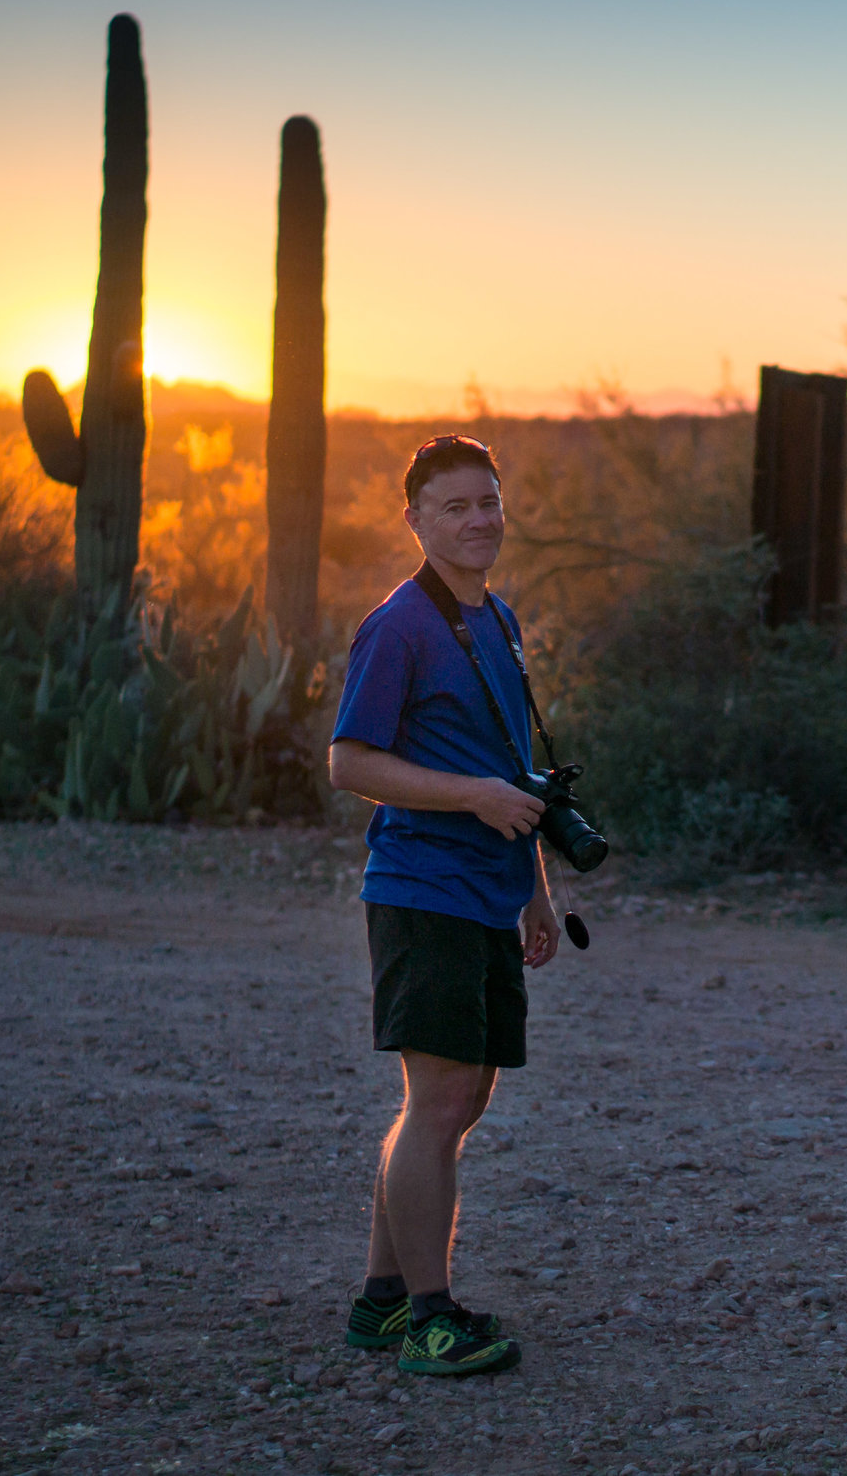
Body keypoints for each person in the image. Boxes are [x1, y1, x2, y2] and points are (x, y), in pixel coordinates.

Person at [326, 434, 563, 1378]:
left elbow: (510, 770)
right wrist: (470, 797)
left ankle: (382, 1302)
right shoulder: (399, 626)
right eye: (456, 507)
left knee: (459, 1099)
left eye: (489, 502)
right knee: (440, 1099)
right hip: (422, 889)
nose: (479, 520)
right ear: (415, 520)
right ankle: (432, 1316)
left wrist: (535, 889)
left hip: (486, 893)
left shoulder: (495, 616)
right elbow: (350, 761)